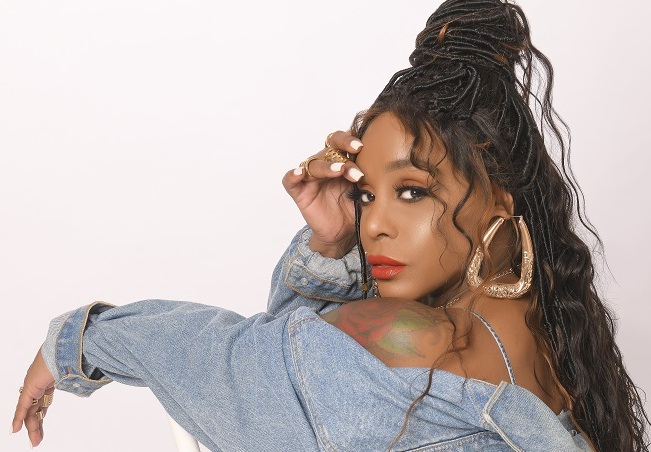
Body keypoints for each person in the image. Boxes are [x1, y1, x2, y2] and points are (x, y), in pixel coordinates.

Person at [11, 0, 650, 450]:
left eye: (412, 190)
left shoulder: (410, 338)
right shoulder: (554, 339)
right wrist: (332, 239)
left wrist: (82, 341)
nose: (375, 227)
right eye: (367, 196)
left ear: (499, 199)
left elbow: (239, 372)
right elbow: (297, 373)